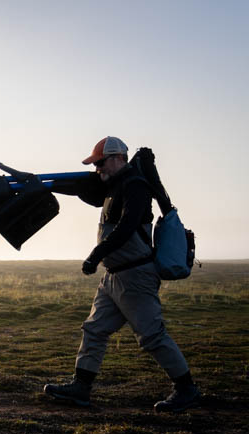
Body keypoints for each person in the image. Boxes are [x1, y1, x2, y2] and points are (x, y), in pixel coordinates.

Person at [43, 136, 200, 413]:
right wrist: (41, 185)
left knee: (152, 336)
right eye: (96, 165)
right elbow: (83, 190)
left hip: (135, 276)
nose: (98, 169)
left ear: (118, 159)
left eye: (101, 163)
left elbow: (127, 227)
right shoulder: (113, 186)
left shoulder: (135, 187)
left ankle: (186, 389)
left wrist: (95, 254)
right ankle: (80, 387)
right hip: (114, 276)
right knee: (94, 329)